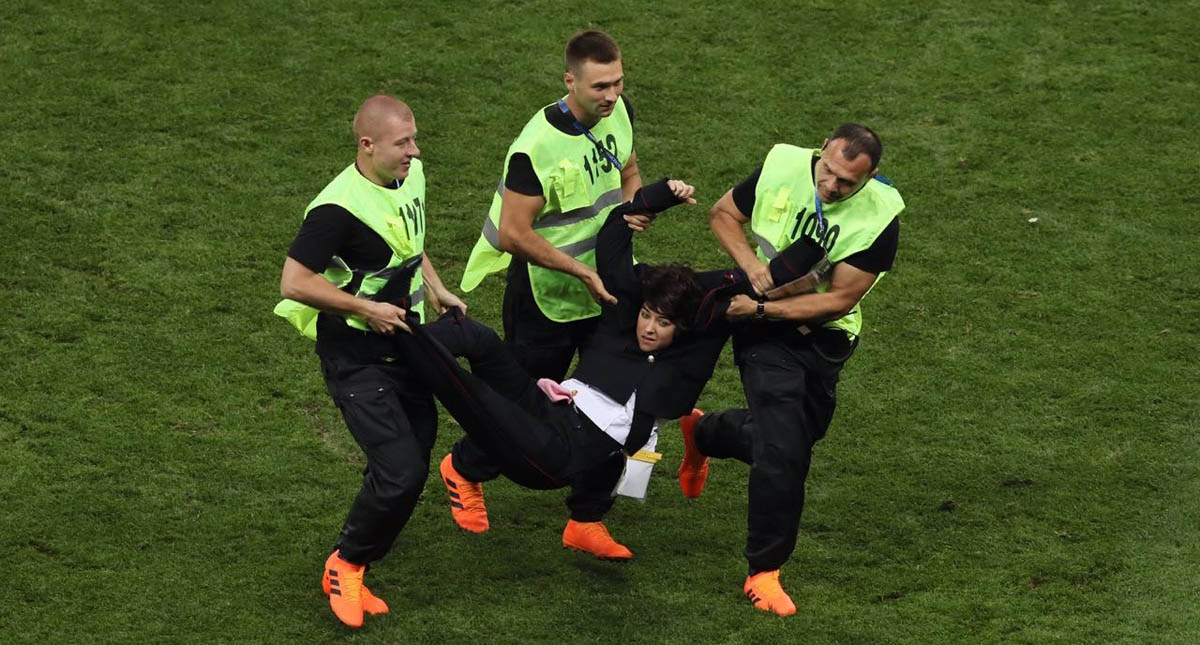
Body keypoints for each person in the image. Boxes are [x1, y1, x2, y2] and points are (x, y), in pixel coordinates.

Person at [393, 178, 745, 561]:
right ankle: (397, 357)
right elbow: (614, 239)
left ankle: (584, 523)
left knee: (606, 455)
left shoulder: (691, 351)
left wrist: (780, 266)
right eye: (646, 315)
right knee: (473, 347)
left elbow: (749, 284)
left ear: (683, 328)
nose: (648, 327)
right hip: (551, 420)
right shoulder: (620, 317)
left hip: (559, 452)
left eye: (662, 323)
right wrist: (657, 197)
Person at [677, 123, 905, 616]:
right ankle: (764, 570)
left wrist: (760, 309)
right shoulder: (782, 163)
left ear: (871, 178)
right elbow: (722, 213)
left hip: (822, 335)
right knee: (784, 452)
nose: (831, 186)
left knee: (801, 434)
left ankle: (706, 434)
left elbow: (841, 299)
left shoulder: (881, 216)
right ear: (822, 148)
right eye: (828, 172)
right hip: (765, 337)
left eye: (847, 183)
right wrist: (751, 269)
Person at [446, 29, 655, 555]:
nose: (611, 95)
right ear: (570, 81)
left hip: (606, 286)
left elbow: (628, 167)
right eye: (600, 86)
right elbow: (515, 232)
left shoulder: (618, 111)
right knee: (525, 411)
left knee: (619, 401)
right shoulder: (534, 146)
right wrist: (581, 272)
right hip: (547, 298)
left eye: (618, 82)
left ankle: (586, 518)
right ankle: (463, 467)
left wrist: (633, 208)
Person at [273, 95, 466, 629]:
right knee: (401, 470)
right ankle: (346, 565)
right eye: (403, 143)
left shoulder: (411, 176)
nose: (415, 150)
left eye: (414, 138)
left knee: (415, 452)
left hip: (406, 342)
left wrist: (438, 287)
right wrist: (365, 308)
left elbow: (409, 242)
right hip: (356, 357)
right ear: (367, 145)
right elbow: (294, 281)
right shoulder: (335, 210)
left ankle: (363, 548)